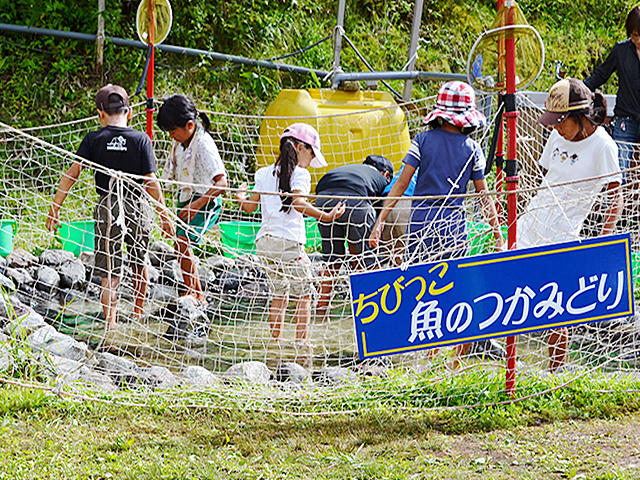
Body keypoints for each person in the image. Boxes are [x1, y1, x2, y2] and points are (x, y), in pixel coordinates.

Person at [368, 80, 504, 367]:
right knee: (456, 290)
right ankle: (454, 360)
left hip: (420, 224)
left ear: (439, 114)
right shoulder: (472, 148)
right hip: (453, 225)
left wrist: (380, 220)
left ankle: (425, 356)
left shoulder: (422, 141)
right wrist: (496, 232)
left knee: (420, 288)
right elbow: (484, 195)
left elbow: (401, 183)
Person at [46, 84, 174, 331]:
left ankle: (110, 323)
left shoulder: (94, 139)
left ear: (100, 113)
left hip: (108, 204)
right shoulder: (141, 139)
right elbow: (151, 181)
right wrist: (164, 215)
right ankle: (138, 314)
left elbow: (72, 173)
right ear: (130, 111)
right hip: (138, 203)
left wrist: (55, 206)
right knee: (140, 262)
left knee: (108, 270)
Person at [518, 78, 623, 373]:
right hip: (531, 223)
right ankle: (488, 364)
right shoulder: (556, 136)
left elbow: (616, 197)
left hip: (563, 234)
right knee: (510, 289)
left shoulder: (603, 146)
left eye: (561, 121)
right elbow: (545, 177)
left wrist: (603, 240)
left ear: (581, 117)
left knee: (557, 307)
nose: (555, 128)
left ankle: (554, 373)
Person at [235, 123, 345, 345]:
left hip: (265, 245)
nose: (310, 160)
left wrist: (239, 196)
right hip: (290, 244)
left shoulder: (262, 173)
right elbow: (299, 203)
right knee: (304, 293)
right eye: (311, 153)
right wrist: (327, 215)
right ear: (299, 147)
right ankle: (301, 344)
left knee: (279, 294)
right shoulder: (300, 174)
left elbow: (248, 208)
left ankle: (276, 343)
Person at [157, 94, 228, 305]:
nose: (171, 137)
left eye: (172, 132)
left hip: (205, 201)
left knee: (183, 242)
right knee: (180, 245)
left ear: (189, 125)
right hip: (187, 198)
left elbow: (222, 183)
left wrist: (197, 205)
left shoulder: (204, 145)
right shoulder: (181, 145)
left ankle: (195, 293)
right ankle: (197, 294)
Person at [314, 154, 394, 321]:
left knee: (331, 260)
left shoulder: (351, 170)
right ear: (386, 174)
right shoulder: (381, 180)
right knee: (369, 261)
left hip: (322, 200)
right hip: (356, 201)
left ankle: (320, 313)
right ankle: (371, 313)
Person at [584, 6, 640, 180]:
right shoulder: (621, 50)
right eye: (634, 35)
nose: (636, 40)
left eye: (639, 35)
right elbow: (601, 74)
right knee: (616, 174)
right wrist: (580, 89)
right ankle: (615, 206)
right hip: (626, 119)